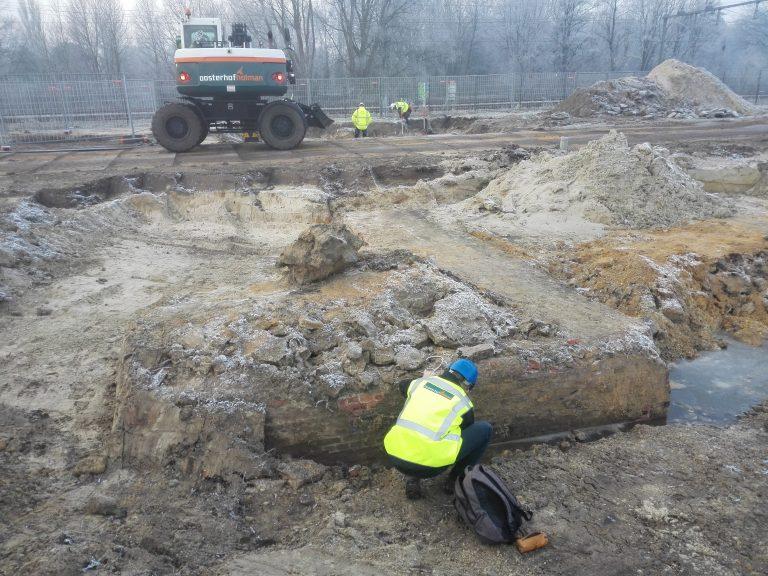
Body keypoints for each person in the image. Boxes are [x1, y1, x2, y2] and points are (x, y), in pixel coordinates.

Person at [383, 358, 492, 500]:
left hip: (395, 456)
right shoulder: (463, 402)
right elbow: (465, 431)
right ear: (467, 385)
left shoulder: (419, 384)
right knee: (485, 429)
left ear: (447, 370)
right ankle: (454, 480)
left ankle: (412, 479)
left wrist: (424, 380)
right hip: (431, 468)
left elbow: (402, 386)